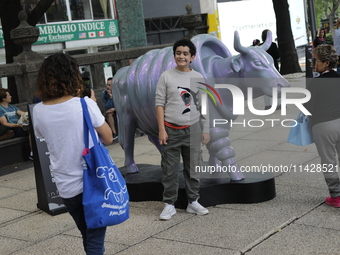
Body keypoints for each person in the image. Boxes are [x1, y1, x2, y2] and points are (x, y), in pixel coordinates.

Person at [33, 53, 113, 254]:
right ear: (72, 76)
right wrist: (91, 104)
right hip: (92, 183)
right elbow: (108, 137)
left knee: (87, 233)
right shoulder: (84, 104)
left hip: (65, 186)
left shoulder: (38, 111)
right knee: (94, 240)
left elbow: (43, 135)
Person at [155, 39, 210, 220]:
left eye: (186, 53)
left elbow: (204, 106)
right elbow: (159, 104)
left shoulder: (198, 77)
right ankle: (169, 204)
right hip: (171, 129)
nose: (181, 56)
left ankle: (193, 202)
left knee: (193, 168)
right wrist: (162, 130)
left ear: (192, 57)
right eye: (178, 53)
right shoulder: (166, 76)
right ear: (174, 55)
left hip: (193, 129)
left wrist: (205, 129)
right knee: (169, 169)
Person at [304, 44, 340, 208]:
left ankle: (336, 196)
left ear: (326, 63)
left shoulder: (315, 83)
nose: (313, 65)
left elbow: (308, 109)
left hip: (323, 126)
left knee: (328, 161)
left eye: (315, 61)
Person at [0, 88, 32, 157]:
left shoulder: (12, 107)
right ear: (3, 98)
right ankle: (32, 153)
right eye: (8, 95)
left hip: (19, 126)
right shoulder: (0, 109)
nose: (11, 96)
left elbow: (23, 113)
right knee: (31, 131)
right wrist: (18, 125)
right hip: (13, 127)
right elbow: (4, 123)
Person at [261, 29, 281, 110]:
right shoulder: (273, 45)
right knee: (276, 87)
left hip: (264, 70)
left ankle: (267, 105)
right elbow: (277, 55)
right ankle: (278, 104)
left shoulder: (260, 46)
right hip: (274, 69)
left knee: (266, 87)